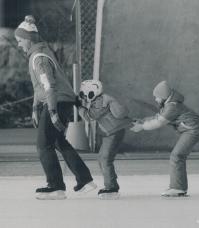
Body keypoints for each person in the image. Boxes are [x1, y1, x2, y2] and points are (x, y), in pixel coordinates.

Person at [15, 15, 96, 200]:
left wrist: (51, 112)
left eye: (20, 41)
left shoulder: (38, 58)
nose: (19, 45)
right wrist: (36, 107)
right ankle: (85, 179)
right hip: (61, 101)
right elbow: (40, 86)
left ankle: (56, 187)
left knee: (43, 145)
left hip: (57, 102)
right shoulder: (41, 52)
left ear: (28, 39)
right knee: (59, 141)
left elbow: (49, 86)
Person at [130, 81, 199, 197]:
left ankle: (177, 188)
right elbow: (157, 116)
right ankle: (178, 187)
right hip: (191, 129)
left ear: (163, 96)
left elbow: (159, 122)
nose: (155, 99)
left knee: (177, 156)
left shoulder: (172, 106)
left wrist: (142, 127)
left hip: (193, 129)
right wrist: (142, 120)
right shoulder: (169, 104)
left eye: (157, 97)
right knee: (178, 156)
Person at [77, 80, 133, 199]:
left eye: (84, 95)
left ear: (92, 93)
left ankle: (111, 187)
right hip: (112, 132)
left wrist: (79, 107)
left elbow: (90, 116)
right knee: (102, 158)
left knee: (105, 159)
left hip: (113, 132)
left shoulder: (100, 101)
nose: (84, 98)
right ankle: (111, 184)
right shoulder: (101, 99)